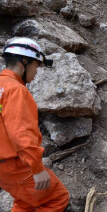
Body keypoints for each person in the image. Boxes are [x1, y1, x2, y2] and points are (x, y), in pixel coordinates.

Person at [0, 37, 69, 211]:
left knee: (27, 201)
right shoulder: (16, 90)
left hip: (4, 167)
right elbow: (20, 133)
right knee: (57, 197)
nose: (36, 72)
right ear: (24, 61)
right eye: (36, 66)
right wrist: (36, 168)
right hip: (14, 164)